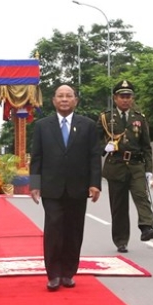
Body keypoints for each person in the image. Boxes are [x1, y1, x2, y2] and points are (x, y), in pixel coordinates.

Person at [30, 84, 101, 291]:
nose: (64, 99)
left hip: (78, 188)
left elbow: (94, 156)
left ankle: (69, 272)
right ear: (53, 101)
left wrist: (95, 183)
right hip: (51, 188)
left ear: (75, 101)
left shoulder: (88, 125)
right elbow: (37, 157)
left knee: (73, 230)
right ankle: (53, 274)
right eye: (60, 96)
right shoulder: (42, 126)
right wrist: (35, 184)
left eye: (68, 96)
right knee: (53, 229)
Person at [96, 80, 153, 253]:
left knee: (141, 196)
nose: (125, 100)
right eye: (122, 96)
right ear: (115, 98)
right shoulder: (106, 117)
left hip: (136, 165)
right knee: (119, 206)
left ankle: (146, 227)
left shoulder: (139, 117)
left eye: (128, 96)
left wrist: (149, 169)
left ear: (132, 98)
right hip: (115, 165)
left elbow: (146, 146)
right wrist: (104, 148)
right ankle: (121, 241)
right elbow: (93, 141)